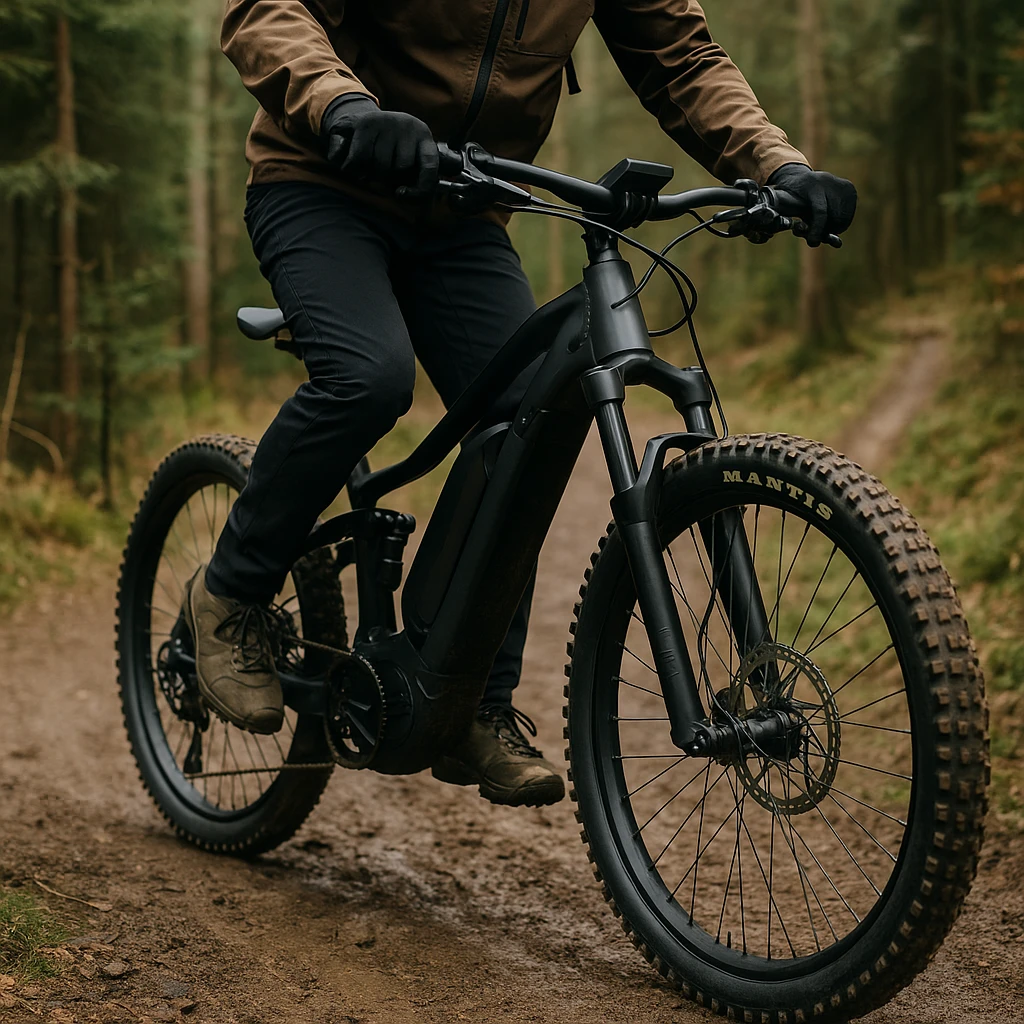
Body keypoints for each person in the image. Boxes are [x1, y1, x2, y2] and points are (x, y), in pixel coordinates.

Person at [183, 0, 858, 809]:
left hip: (467, 206)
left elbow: (682, 56)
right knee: (369, 378)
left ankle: (472, 700)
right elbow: (267, 9)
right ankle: (231, 592)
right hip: (325, 177)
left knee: (526, 420)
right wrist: (344, 104)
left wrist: (776, 165)